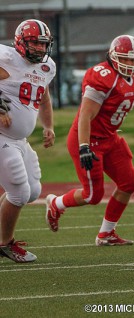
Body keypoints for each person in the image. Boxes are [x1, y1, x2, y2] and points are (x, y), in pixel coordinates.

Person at [45, 35, 134, 246]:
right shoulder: (102, 77)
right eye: (127, 59)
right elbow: (86, 115)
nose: (131, 64)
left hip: (110, 138)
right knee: (92, 196)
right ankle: (56, 204)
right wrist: (84, 146)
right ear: (113, 57)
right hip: (88, 140)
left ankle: (106, 234)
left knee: (128, 184)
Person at [0, 19, 56, 263]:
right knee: (19, 193)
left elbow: (43, 97)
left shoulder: (47, 67)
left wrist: (48, 126)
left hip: (20, 139)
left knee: (33, 192)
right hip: (1, 136)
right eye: (34, 43)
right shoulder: (5, 58)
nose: (40, 49)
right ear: (20, 42)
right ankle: (5, 243)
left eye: (44, 44)